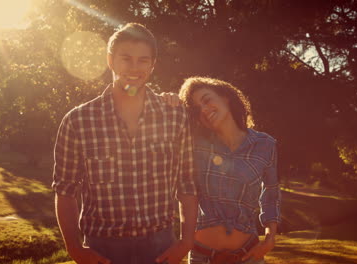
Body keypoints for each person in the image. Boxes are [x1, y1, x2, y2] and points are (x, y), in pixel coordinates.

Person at [52, 23, 198, 264]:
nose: (134, 68)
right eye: (126, 59)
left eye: (143, 60)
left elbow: (187, 184)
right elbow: (65, 191)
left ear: (153, 64)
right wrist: (75, 249)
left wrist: (186, 241)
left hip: (161, 246)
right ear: (110, 60)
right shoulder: (78, 120)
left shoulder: (175, 116)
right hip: (103, 248)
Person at [163, 77, 281, 264]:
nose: (204, 109)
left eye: (207, 100)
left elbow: (271, 195)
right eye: (196, 109)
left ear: (225, 97)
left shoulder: (264, 144)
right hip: (203, 256)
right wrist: (168, 101)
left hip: (249, 256)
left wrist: (270, 238)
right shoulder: (194, 144)